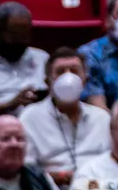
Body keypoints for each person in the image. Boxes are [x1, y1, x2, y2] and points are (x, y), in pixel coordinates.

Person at [21, 48, 112, 181]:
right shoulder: (30, 117)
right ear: (47, 81)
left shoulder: (102, 118)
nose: (68, 78)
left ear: (84, 80)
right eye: (60, 72)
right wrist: (60, 177)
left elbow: (116, 166)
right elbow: (26, 171)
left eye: (74, 71)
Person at [0, 2, 48, 115]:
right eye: (14, 35)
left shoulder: (42, 58)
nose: (21, 41)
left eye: (25, 35)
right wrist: (9, 105)